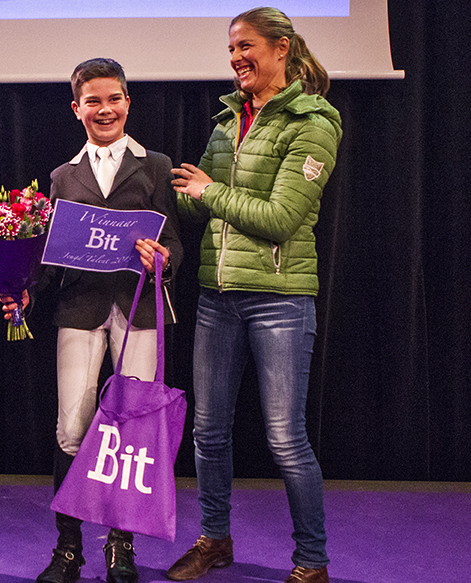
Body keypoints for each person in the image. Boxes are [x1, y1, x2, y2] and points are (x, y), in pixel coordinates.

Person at [166, 7, 342, 583]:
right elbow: (200, 204)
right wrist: (168, 190)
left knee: (286, 438)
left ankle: (311, 561)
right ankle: (214, 540)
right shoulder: (229, 120)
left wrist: (209, 191)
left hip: (280, 301)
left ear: (282, 47)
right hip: (216, 297)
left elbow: (281, 218)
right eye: (231, 49)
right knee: (208, 431)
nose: (236, 58)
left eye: (246, 47)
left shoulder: (313, 123)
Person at [3, 58, 183, 583]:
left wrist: (163, 259)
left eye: (115, 98)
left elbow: (173, 242)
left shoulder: (155, 165)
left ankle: (120, 550)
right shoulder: (63, 176)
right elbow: (51, 259)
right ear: (77, 108)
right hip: (80, 312)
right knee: (72, 429)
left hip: (139, 312)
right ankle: (67, 550)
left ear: (128, 102)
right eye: (94, 100)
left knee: (131, 433)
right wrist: (22, 289)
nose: (105, 109)